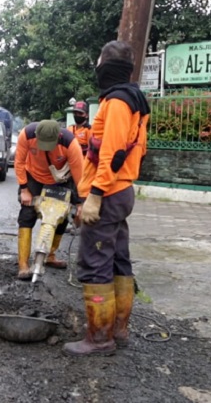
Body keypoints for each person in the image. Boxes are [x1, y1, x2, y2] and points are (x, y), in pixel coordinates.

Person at [63, 40, 150, 357]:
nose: (97, 67)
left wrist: (95, 196)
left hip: (108, 193)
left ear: (107, 66)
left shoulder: (116, 102)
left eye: (99, 62)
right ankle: (118, 329)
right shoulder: (136, 99)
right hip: (122, 190)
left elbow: (112, 154)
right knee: (117, 260)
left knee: (95, 262)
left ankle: (100, 338)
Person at [14, 119, 84, 280]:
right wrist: (24, 189)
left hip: (60, 180)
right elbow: (19, 162)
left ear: (58, 137)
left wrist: (80, 202)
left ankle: (50, 255)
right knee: (26, 215)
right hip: (34, 177)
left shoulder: (70, 144)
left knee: (62, 217)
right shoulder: (26, 135)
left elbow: (79, 174)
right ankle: (23, 265)